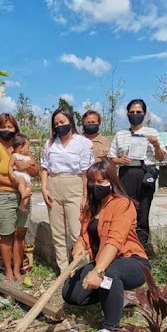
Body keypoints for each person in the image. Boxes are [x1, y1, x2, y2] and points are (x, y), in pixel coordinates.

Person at [62, 160, 150, 332]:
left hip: (131, 262)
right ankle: (120, 297)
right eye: (92, 182)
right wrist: (80, 245)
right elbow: (85, 235)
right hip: (103, 261)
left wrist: (97, 271)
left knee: (108, 274)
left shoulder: (122, 205)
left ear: (111, 182)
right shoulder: (90, 207)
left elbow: (114, 242)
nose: (95, 186)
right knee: (71, 294)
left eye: (101, 182)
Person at [0, 113, 39, 283]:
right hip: (3, 196)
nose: (6, 130)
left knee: (20, 233)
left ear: (15, 128)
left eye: (10, 127)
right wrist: (14, 183)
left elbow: (35, 171)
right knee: (7, 235)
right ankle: (8, 269)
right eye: (3, 127)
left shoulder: (24, 148)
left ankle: (17, 269)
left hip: (23, 198)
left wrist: (27, 167)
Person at [41, 107, 94, 272]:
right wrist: (44, 188)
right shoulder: (50, 143)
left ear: (70, 122)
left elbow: (87, 171)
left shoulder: (83, 142)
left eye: (62, 122)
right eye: (56, 123)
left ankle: (82, 269)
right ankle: (64, 271)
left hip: (75, 185)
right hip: (54, 184)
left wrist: (85, 195)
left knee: (77, 231)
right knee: (57, 233)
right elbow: (44, 167)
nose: (59, 126)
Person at [109, 99, 166, 250]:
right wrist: (120, 160)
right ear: (127, 114)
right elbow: (111, 158)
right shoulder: (120, 134)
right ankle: (123, 247)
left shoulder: (152, 133)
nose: (135, 115)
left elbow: (161, 157)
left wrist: (156, 145)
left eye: (138, 112)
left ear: (145, 114)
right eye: (132, 112)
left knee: (142, 212)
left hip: (145, 174)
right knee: (125, 211)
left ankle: (140, 250)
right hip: (126, 174)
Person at [8, 133, 33, 212]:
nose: (29, 149)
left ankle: (22, 205)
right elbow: (10, 166)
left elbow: (33, 164)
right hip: (18, 175)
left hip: (27, 176)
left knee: (29, 188)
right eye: (27, 147)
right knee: (21, 180)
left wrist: (29, 164)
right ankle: (23, 193)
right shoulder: (15, 156)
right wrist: (11, 174)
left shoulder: (28, 156)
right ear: (20, 148)